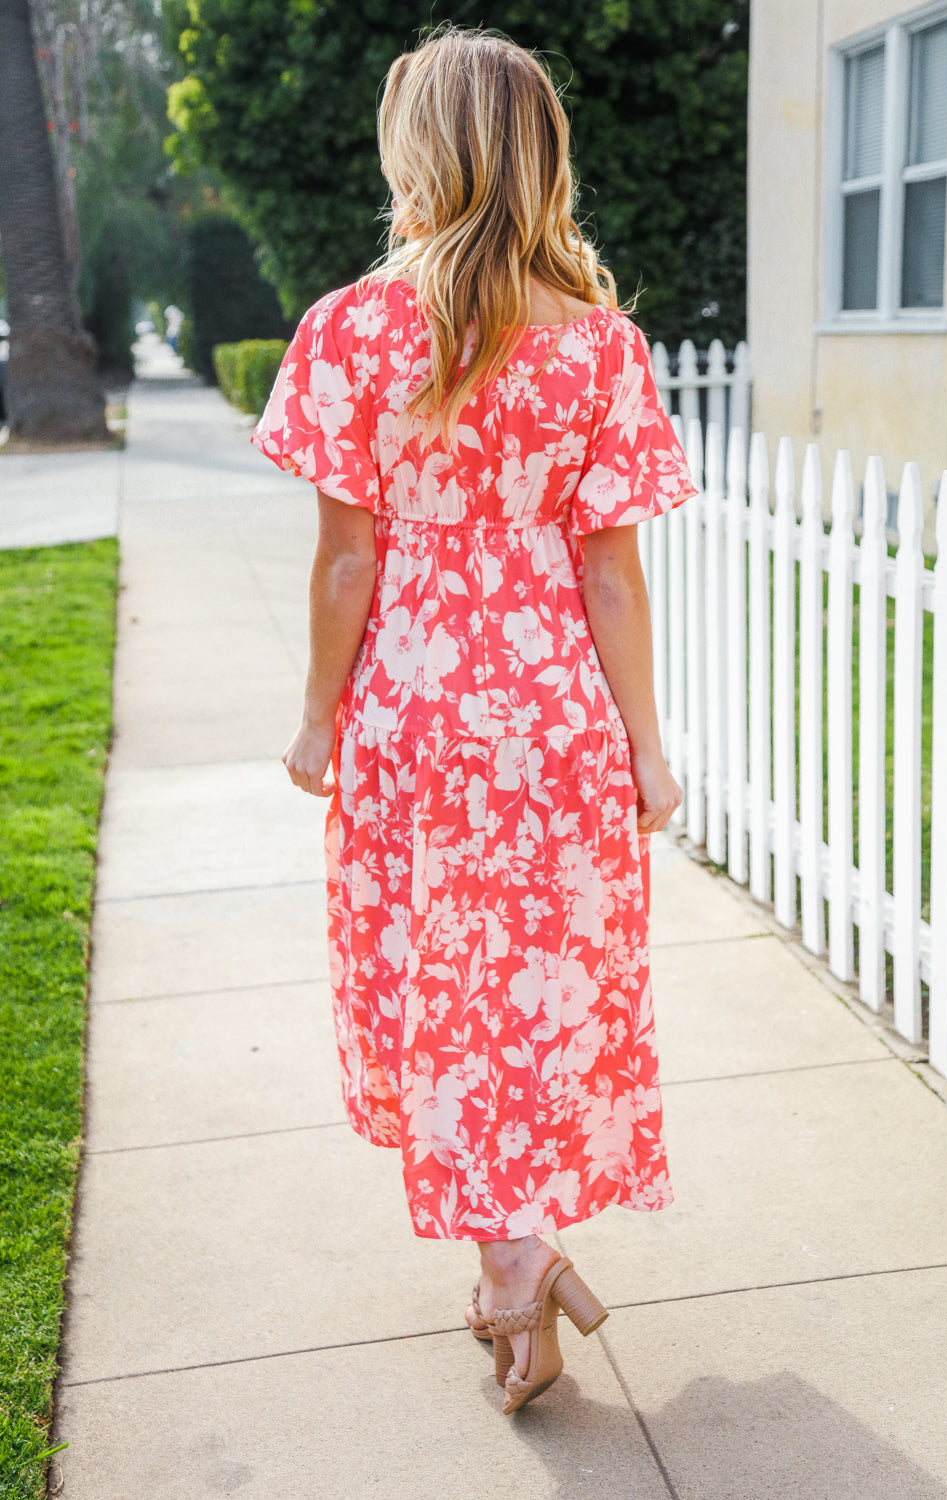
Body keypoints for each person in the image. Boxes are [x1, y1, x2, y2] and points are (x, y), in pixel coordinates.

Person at [251, 26, 695, 1415]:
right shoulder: (603, 348)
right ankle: (524, 1257)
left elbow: (346, 561)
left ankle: (513, 1274)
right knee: (541, 992)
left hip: (420, 715)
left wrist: (319, 719)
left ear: (420, 153)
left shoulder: (350, 330)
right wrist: (648, 749)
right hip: (552, 714)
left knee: (442, 992)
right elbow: (610, 574)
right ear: (542, 155)